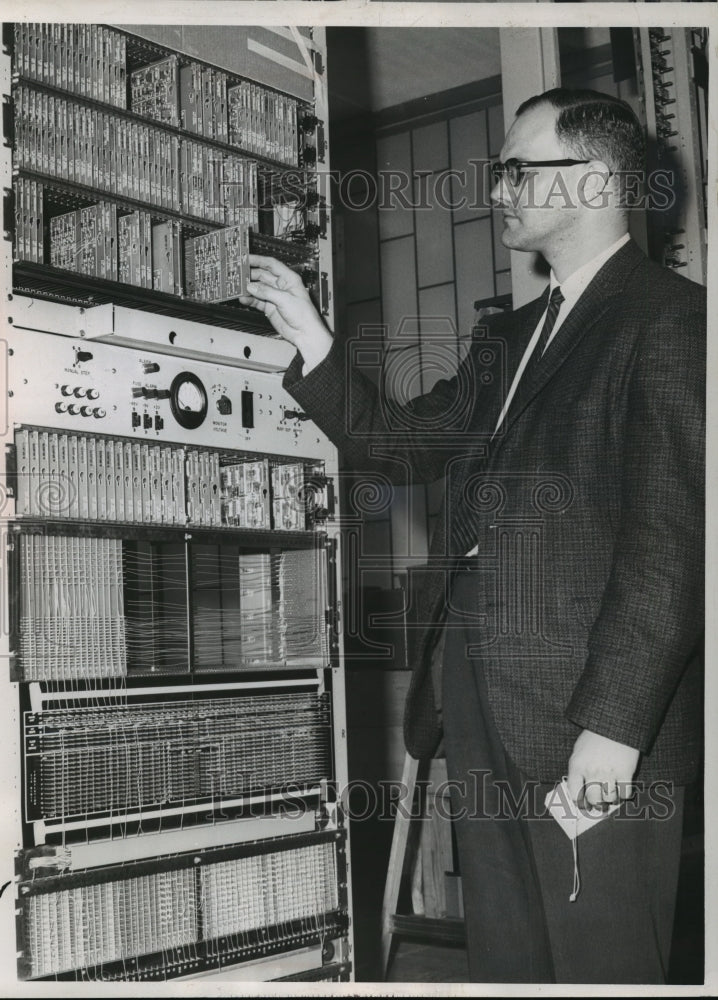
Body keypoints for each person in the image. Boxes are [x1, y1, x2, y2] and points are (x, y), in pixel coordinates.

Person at [240, 88, 705, 984]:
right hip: (482, 690)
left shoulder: (673, 322)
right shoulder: (514, 336)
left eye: (518, 168)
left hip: (595, 719)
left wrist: (613, 730)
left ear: (595, 182)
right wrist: (311, 334)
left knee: (603, 963)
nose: (499, 189)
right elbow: (403, 447)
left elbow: (673, 545)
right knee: (512, 960)